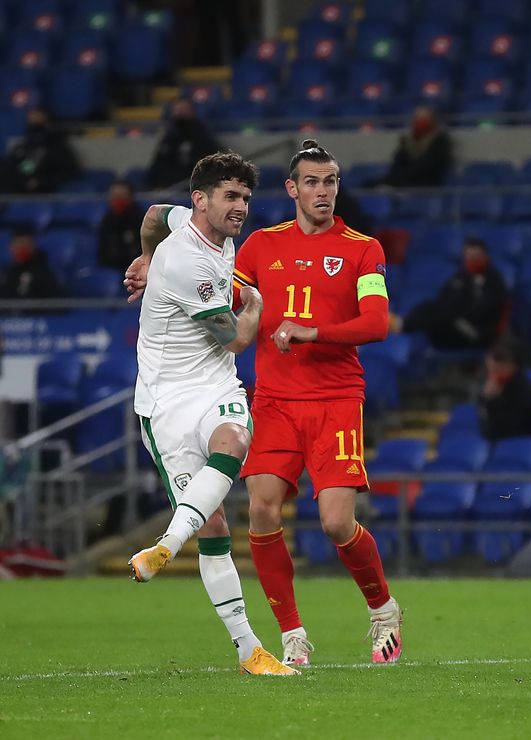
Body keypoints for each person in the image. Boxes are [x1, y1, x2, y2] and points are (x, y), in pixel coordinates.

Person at [125, 141, 402, 667]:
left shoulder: (365, 249)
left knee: (336, 522)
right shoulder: (256, 247)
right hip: (274, 400)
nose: (324, 192)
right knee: (262, 512)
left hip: (336, 398)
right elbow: (219, 303)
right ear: (292, 189)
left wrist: (311, 331)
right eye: (313, 182)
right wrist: (152, 265)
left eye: (332, 182)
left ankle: (383, 609)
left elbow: (376, 324)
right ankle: (292, 635)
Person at [124, 152, 295, 676]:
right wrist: (257, 307)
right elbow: (237, 338)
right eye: (230, 196)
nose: (240, 207)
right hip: (165, 400)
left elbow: (153, 214)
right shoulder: (191, 264)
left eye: (245, 197)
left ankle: (163, 546)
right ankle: (249, 650)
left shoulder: (194, 227)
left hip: (214, 385)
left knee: (235, 442)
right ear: (202, 199)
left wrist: (145, 256)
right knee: (215, 521)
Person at [395, 237, 509, 350]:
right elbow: (442, 299)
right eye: (469, 256)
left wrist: (456, 312)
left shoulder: (494, 280)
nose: (472, 260)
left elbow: (485, 310)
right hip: (452, 326)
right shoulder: (460, 277)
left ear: (485, 256)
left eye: (476, 256)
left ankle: (404, 326)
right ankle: (403, 325)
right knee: (428, 306)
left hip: (476, 331)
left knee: (444, 316)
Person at [145, 98, 223, 190]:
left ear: (192, 112)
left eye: (183, 110)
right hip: (166, 187)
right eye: (177, 110)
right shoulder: (168, 137)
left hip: (191, 186)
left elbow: (209, 162)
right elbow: (158, 163)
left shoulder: (201, 135)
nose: (179, 113)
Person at [478, 340, 531, 441]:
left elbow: (512, 425)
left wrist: (491, 402)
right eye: (490, 369)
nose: (492, 374)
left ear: (511, 365)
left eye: (496, 369)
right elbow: (485, 424)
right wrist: (486, 399)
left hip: (526, 443)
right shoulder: (490, 387)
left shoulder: (524, 390)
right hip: (499, 442)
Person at [0, 107, 80, 194]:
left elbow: (68, 171)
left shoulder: (57, 147)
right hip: (19, 186)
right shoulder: (24, 147)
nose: (32, 118)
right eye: (31, 116)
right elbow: (27, 168)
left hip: (40, 192)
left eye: (37, 115)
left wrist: (39, 181)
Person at [378, 106, 453, 187]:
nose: (420, 122)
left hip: (428, 182)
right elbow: (398, 162)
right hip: (404, 180)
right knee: (371, 184)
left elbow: (429, 166)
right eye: (418, 119)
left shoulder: (440, 141)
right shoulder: (407, 140)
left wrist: (403, 174)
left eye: (424, 119)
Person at [96, 180, 143, 271]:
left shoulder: (140, 220)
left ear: (130, 197)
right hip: (109, 267)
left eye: (121, 197)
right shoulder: (107, 220)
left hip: (133, 267)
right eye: (114, 197)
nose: (117, 200)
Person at [1, 230, 61, 300]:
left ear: (32, 247)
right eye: (17, 244)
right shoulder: (6, 272)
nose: (21, 249)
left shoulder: (43, 272)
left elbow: (53, 303)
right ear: (11, 247)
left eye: (24, 244)